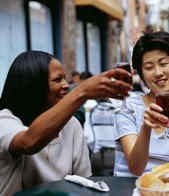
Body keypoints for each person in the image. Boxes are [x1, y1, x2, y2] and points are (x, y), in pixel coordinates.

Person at [0, 51, 132, 195]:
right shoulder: (5, 120)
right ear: (34, 85)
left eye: (65, 79)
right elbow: (29, 142)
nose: (66, 85)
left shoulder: (71, 124)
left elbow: (84, 182)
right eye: (57, 80)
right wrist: (82, 92)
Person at [113, 31, 169, 180]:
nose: (158, 72)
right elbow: (135, 168)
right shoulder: (128, 108)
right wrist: (146, 127)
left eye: (164, 63)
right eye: (149, 67)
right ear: (141, 73)